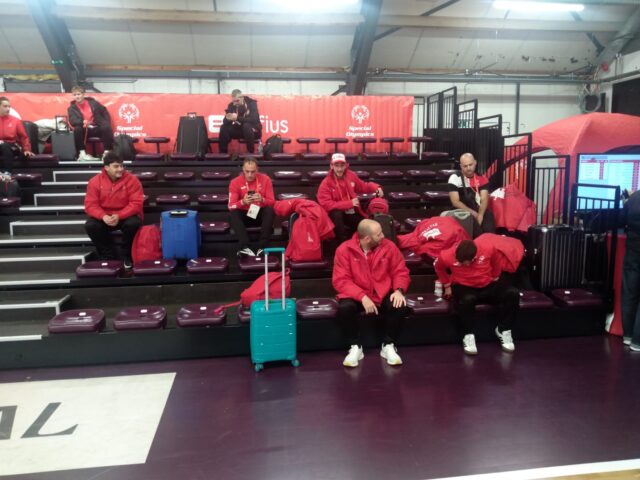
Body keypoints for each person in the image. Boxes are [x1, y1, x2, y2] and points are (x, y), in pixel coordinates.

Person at [332, 219, 411, 367]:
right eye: (378, 234)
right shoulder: (344, 250)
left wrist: (399, 290)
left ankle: (388, 345)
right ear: (367, 238)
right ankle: (355, 346)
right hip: (357, 294)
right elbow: (341, 280)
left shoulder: (389, 246)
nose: (383, 236)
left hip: (382, 291)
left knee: (399, 305)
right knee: (345, 308)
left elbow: (400, 271)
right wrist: (362, 296)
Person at [434, 239, 519, 355]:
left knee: (513, 293)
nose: (466, 265)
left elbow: (496, 261)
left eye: (468, 262)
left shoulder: (488, 248)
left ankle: (504, 329)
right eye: (462, 263)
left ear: (475, 256)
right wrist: (447, 284)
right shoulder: (446, 255)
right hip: (464, 286)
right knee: (467, 300)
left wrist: (495, 276)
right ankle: (468, 335)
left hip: (486, 284)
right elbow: (438, 267)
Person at [84, 151, 143, 268]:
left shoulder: (133, 180)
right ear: (106, 167)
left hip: (125, 216)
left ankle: (127, 255)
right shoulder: (94, 181)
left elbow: (136, 204)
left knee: (134, 223)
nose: (120, 169)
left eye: (121, 165)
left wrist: (119, 215)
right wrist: (103, 216)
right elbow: (90, 205)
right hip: (105, 216)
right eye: (116, 166)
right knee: (91, 225)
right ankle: (107, 256)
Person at [317, 153, 383, 248]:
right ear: (331, 166)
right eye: (336, 165)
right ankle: (342, 246)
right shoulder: (326, 183)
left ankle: (364, 247)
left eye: (342, 165)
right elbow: (326, 205)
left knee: (364, 224)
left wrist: (376, 187)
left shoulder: (350, 175)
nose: (340, 169)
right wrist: (349, 203)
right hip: (334, 217)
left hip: (350, 212)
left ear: (346, 165)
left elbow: (363, 186)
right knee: (337, 214)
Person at [228, 157, 275, 257]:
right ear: (243, 170)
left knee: (270, 210)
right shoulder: (235, 182)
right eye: (247, 171)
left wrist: (262, 199)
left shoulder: (266, 179)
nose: (250, 175)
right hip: (244, 215)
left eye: (253, 172)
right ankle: (245, 247)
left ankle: (263, 247)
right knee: (233, 213)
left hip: (259, 214)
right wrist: (243, 202)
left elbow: (272, 202)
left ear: (257, 170)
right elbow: (231, 206)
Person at [448, 153, 496, 236]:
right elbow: (455, 202)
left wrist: (480, 215)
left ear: (475, 163)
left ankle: (490, 240)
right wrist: (473, 213)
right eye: (465, 166)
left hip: (478, 209)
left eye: (470, 165)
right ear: (460, 166)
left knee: (488, 216)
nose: (468, 168)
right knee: (476, 230)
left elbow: (484, 200)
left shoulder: (482, 178)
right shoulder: (454, 178)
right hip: (461, 210)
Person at [68, 86, 114, 161]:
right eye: (75, 95)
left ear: (83, 94)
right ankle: (82, 154)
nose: (77, 96)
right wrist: (82, 122)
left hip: (96, 127)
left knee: (106, 127)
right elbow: (72, 120)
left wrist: (106, 122)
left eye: (78, 94)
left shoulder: (94, 103)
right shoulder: (71, 108)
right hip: (85, 129)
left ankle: (107, 153)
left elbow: (104, 111)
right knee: (77, 129)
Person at [621, 189, 640, 351]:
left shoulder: (634, 198)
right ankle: (638, 341)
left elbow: (623, 219)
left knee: (629, 291)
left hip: (632, 248)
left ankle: (627, 335)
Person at [219, 89, 262, 154]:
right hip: (240, 130)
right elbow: (225, 122)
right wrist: (229, 118)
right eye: (234, 101)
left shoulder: (251, 103)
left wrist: (237, 118)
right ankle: (223, 153)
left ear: (242, 98)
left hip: (253, 130)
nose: (235, 103)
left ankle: (250, 152)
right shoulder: (232, 105)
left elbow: (254, 119)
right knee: (224, 128)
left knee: (246, 125)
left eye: (237, 101)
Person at [0, 96, 35, 172]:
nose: (8, 109)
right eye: (5, 106)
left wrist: (27, 149)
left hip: (12, 146)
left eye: (9, 106)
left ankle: (7, 173)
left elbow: (24, 137)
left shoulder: (15, 120)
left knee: (5, 146)